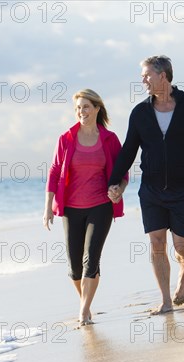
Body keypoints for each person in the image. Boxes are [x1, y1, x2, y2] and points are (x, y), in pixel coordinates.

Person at [108, 55, 184, 315]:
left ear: (162, 76)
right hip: (151, 190)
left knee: (180, 247)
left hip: (183, 190)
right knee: (157, 244)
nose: (142, 80)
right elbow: (128, 151)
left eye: (146, 75)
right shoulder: (140, 112)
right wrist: (114, 182)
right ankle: (166, 301)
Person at [43, 89, 128, 326]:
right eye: (78, 108)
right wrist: (48, 206)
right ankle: (86, 303)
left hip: (100, 206)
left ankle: (83, 311)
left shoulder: (109, 139)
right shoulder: (66, 138)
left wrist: (119, 190)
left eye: (86, 107)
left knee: (91, 259)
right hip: (71, 207)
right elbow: (53, 172)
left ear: (97, 108)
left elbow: (123, 173)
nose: (82, 111)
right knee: (74, 265)